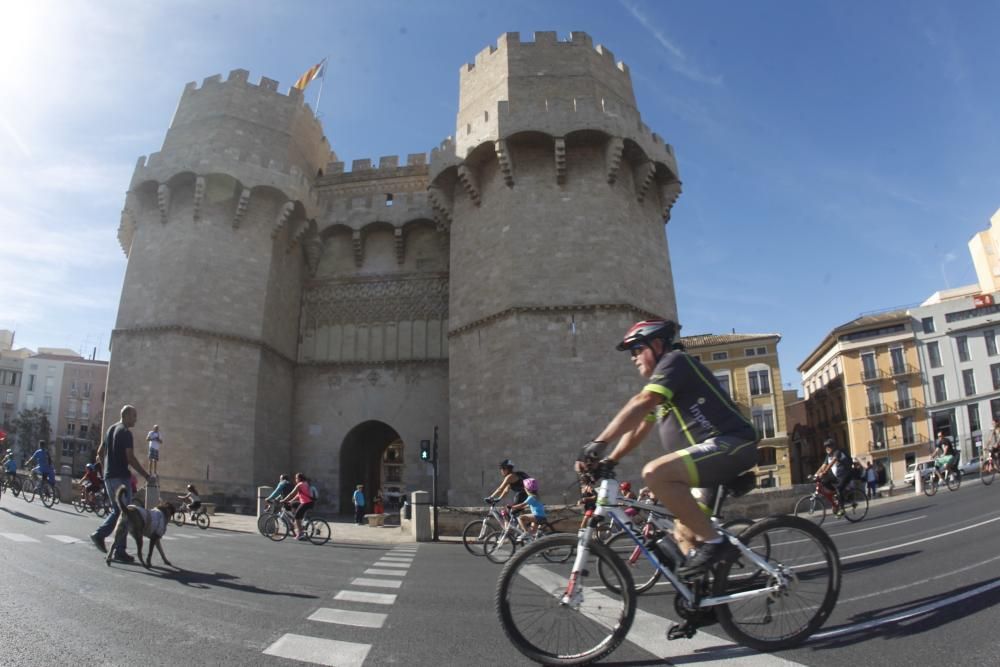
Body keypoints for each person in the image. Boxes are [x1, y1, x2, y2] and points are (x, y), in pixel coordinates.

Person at [579, 319, 759, 575]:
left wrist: (598, 443)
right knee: (684, 534)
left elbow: (643, 401)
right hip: (706, 462)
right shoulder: (666, 387)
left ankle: (717, 544)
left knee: (654, 473)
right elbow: (640, 428)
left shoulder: (676, 362)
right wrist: (611, 460)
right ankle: (705, 604)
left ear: (656, 344)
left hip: (731, 444)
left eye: (637, 350)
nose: (633, 358)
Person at [90, 404, 155, 563]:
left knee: (119, 512)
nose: (136, 419)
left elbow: (99, 453)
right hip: (120, 478)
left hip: (109, 477)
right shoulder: (125, 433)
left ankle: (119, 550)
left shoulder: (110, 429)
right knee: (124, 513)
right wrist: (146, 475)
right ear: (126, 415)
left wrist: (106, 470)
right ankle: (101, 535)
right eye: (134, 416)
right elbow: (130, 458)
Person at [814, 439, 851, 515]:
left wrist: (824, 472)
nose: (827, 448)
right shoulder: (828, 456)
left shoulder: (837, 452)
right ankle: (837, 496)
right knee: (824, 481)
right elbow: (823, 466)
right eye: (826, 446)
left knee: (839, 488)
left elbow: (832, 463)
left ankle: (842, 508)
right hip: (836, 475)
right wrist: (815, 475)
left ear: (833, 446)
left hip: (845, 474)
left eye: (829, 446)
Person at [280, 473, 315, 540]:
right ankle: (300, 526)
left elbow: (291, 494)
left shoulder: (299, 485)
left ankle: (300, 533)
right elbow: (298, 495)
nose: (295, 479)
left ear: (299, 478)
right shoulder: (305, 483)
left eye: (296, 478)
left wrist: (283, 500)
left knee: (296, 517)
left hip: (306, 503)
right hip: (309, 502)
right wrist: (290, 501)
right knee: (294, 507)